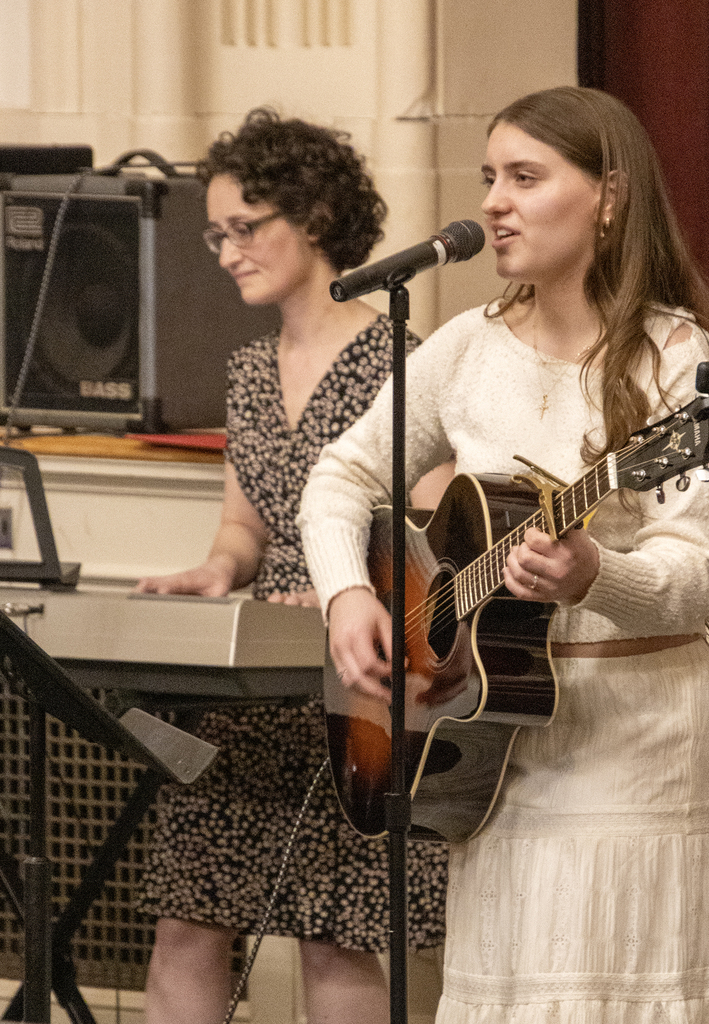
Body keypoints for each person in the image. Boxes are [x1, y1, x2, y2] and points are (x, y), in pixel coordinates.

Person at [298, 86, 709, 1023]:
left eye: (526, 177)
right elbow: (338, 478)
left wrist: (598, 573)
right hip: (492, 742)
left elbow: (691, 583)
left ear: (610, 197)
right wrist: (352, 597)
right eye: (487, 179)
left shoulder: (678, 366)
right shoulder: (469, 347)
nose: (494, 203)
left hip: (637, 741)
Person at [136, 108, 450, 1024]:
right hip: (250, 692)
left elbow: (434, 523)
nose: (228, 251)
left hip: (349, 678)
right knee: (186, 923)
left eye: (247, 227)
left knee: (331, 930)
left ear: (312, 218)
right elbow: (245, 526)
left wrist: (350, 582)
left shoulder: (399, 358)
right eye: (217, 233)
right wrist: (214, 570)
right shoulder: (244, 369)